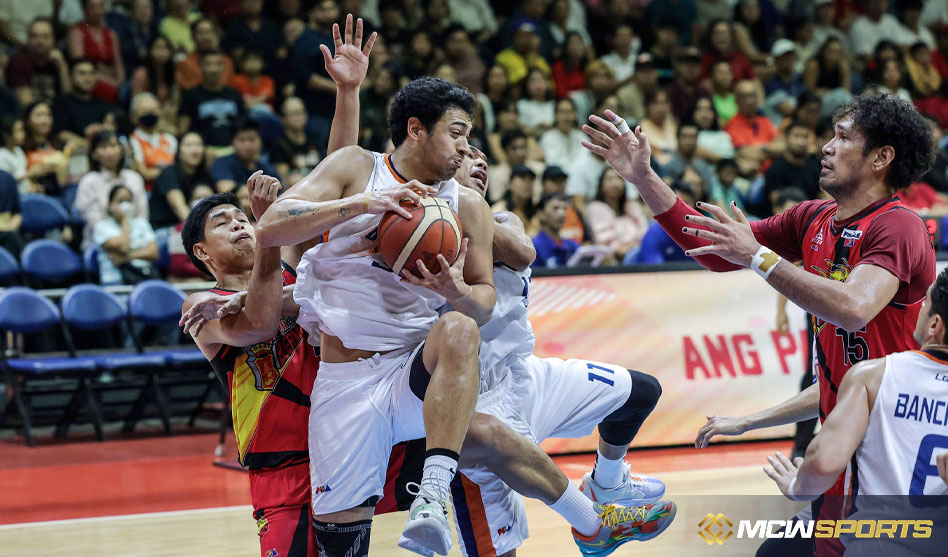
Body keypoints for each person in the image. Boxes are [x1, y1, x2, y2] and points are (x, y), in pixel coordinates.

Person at [581, 93, 936, 557]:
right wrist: (644, 178)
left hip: (885, 454)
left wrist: (759, 257)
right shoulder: (813, 218)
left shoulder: (899, 226)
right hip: (840, 448)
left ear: (881, 158)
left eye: (844, 137)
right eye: (830, 135)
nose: (826, 147)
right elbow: (713, 249)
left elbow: (853, 308)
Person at [255, 75, 496, 557]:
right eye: (456, 131)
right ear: (416, 129)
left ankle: (433, 493)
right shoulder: (358, 168)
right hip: (344, 378)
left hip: (412, 372)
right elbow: (270, 226)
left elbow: (485, 301)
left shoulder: (467, 204)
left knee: (460, 327)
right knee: (340, 542)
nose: (466, 146)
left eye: (469, 134)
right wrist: (358, 206)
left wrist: (457, 291)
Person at [763, 267, 948, 556]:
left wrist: (799, 486)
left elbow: (824, 462)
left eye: (925, 302)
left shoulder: (873, 375)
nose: (919, 307)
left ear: (935, 324)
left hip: (877, 544)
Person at [76, 130, 148, 249]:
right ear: (94, 153)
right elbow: (95, 223)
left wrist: (133, 237)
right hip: (101, 242)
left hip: (136, 239)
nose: (109, 152)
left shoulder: (134, 178)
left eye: (113, 146)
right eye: (103, 147)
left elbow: (142, 216)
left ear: (120, 149)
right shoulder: (89, 181)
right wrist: (120, 240)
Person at [178, 49, 245, 155]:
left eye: (217, 64)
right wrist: (200, 150)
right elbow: (183, 130)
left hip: (234, 150)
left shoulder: (234, 94)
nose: (213, 69)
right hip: (203, 152)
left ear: (223, 67)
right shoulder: (190, 95)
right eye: (208, 64)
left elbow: (244, 126)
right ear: (200, 67)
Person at [94, 184, 159, 285]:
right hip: (115, 281)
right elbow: (123, 248)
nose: (125, 205)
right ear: (110, 205)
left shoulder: (141, 223)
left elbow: (154, 252)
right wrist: (125, 221)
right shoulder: (102, 227)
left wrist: (127, 257)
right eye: (120, 201)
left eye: (129, 201)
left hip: (143, 275)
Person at [150, 131, 213, 232]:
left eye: (198, 145)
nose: (195, 150)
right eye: (188, 145)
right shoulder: (169, 173)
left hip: (196, 227)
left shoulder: (204, 174)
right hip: (166, 229)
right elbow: (180, 210)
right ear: (179, 150)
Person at [52, 58, 117, 151]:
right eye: (82, 73)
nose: (88, 78)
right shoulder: (62, 102)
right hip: (74, 153)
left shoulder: (103, 103)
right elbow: (60, 133)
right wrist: (89, 144)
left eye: (91, 73)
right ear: (71, 77)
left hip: (103, 153)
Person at [67, 0, 124, 104]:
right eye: (92, 6)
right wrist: (106, 77)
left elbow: (119, 69)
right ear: (84, 9)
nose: (97, 11)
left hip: (112, 85)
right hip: (88, 82)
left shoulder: (111, 35)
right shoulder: (77, 32)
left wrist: (116, 82)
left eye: (100, 6)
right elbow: (79, 67)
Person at [586, 167, 648, 260]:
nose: (616, 183)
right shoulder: (596, 208)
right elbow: (605, 241)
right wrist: (624, 248)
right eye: (610, 179)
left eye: (619, 178)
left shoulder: (631, 206)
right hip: (613, 259)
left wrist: (631, 246)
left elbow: (645, 231)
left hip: (638, 252)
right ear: (601, 185)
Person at [7, 18, 71, 105]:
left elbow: (69, 98)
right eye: (35, 36)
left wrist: (62, 67)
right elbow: (26, 103)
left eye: (45, 37)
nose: (40, 41)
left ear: (53, 40)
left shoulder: (59, 60)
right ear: (28, 39)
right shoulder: (18, 60)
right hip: (35, 115)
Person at [210, 117, 279, 192]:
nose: (247, 145)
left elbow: (280, 190)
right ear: (232, 142)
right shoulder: (222, 163)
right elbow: (226, 190)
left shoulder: (266, 167)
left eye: (251, 139)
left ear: (260, 141)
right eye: (242, 140)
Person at [128, 92, 177, 189]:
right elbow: (144, 173)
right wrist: (169, 171)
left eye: (154, 110)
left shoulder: (170, 139)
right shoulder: (132, 141)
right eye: (144, 111)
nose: (150, 114)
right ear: (134, 116)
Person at [532, 193, 579, 268]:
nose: (562, 214)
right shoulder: (533, 247)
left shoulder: (573, 246)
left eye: (564, 209)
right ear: (541, 214)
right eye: (555, 208)